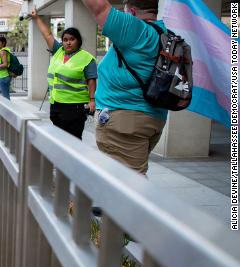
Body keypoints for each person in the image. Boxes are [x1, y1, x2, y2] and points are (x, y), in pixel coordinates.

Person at [79, 0, 168, 175]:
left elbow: (98, 7)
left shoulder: (137, 31)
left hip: (125, 119)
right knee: (124, 178)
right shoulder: (163, 33)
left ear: (132, 12)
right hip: (150, 118)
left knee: (126, 186)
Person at [32, 9, 97, 140]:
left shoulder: (86, 58)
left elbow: (91, 80)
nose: (68, 42)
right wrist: (36, 17)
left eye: (72, 39)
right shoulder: (58, 51)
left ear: (78, 41)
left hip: (75, 106)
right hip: (56, 104)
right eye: (65, 39)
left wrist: (92, 100)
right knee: (59, 139)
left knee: (73, 139)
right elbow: (48, 35)